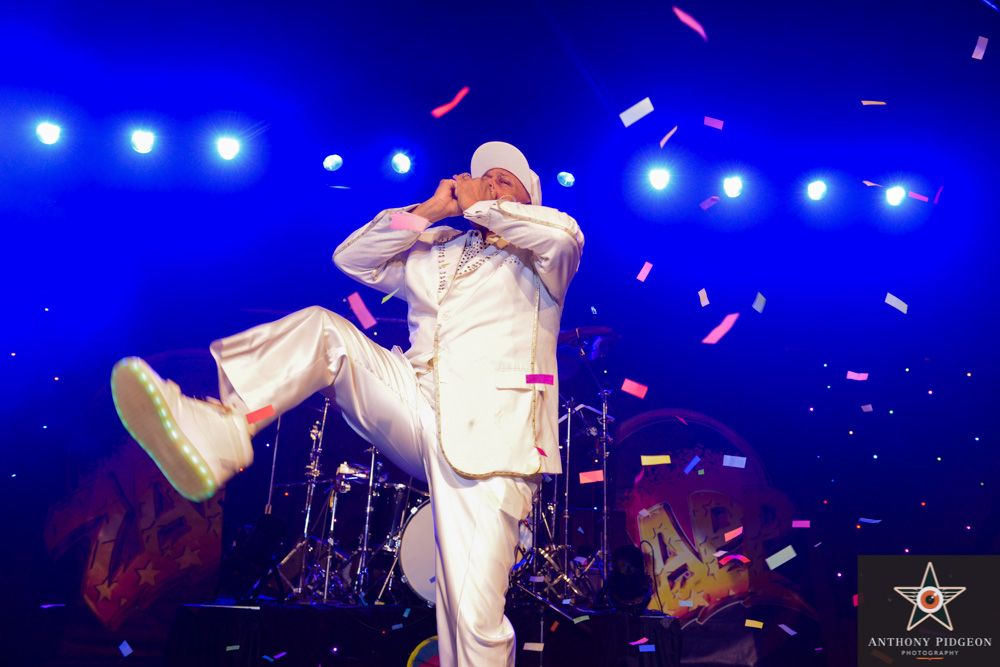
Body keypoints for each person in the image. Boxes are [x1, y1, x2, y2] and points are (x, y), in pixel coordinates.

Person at [110, 141, 584, 667]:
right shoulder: (439, 246)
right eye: (485, 177)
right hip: (418, 399)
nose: (490, 184)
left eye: (504, 180)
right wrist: (430, 211)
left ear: (529, 199)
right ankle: (225, 428)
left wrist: (483, 205)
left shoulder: (545, 254)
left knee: (471, 619)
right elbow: (352, 257)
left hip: (494, 438)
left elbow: (563, 234)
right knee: (324, 331)